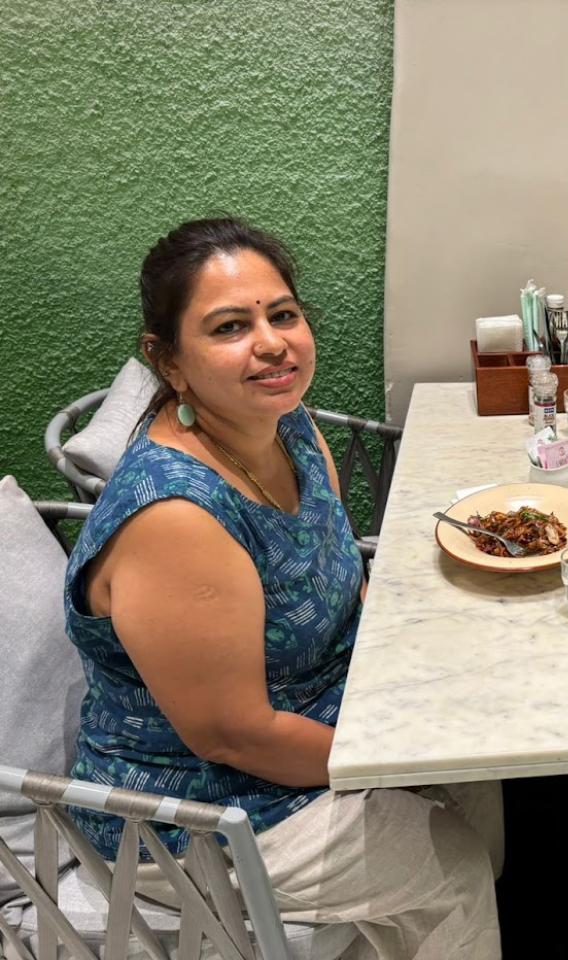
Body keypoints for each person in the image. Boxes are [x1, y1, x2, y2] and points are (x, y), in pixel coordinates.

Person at [64, 219, 502, 959]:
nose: (271, 343)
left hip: (319, 713)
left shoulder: (287, 425)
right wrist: (396, 753)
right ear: (167, 361)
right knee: (452, 869)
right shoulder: (177, 514)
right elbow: (233, 734)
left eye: (283, 314)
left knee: (484, 781)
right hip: (199, 806)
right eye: (230, 327)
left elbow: (340, 574)